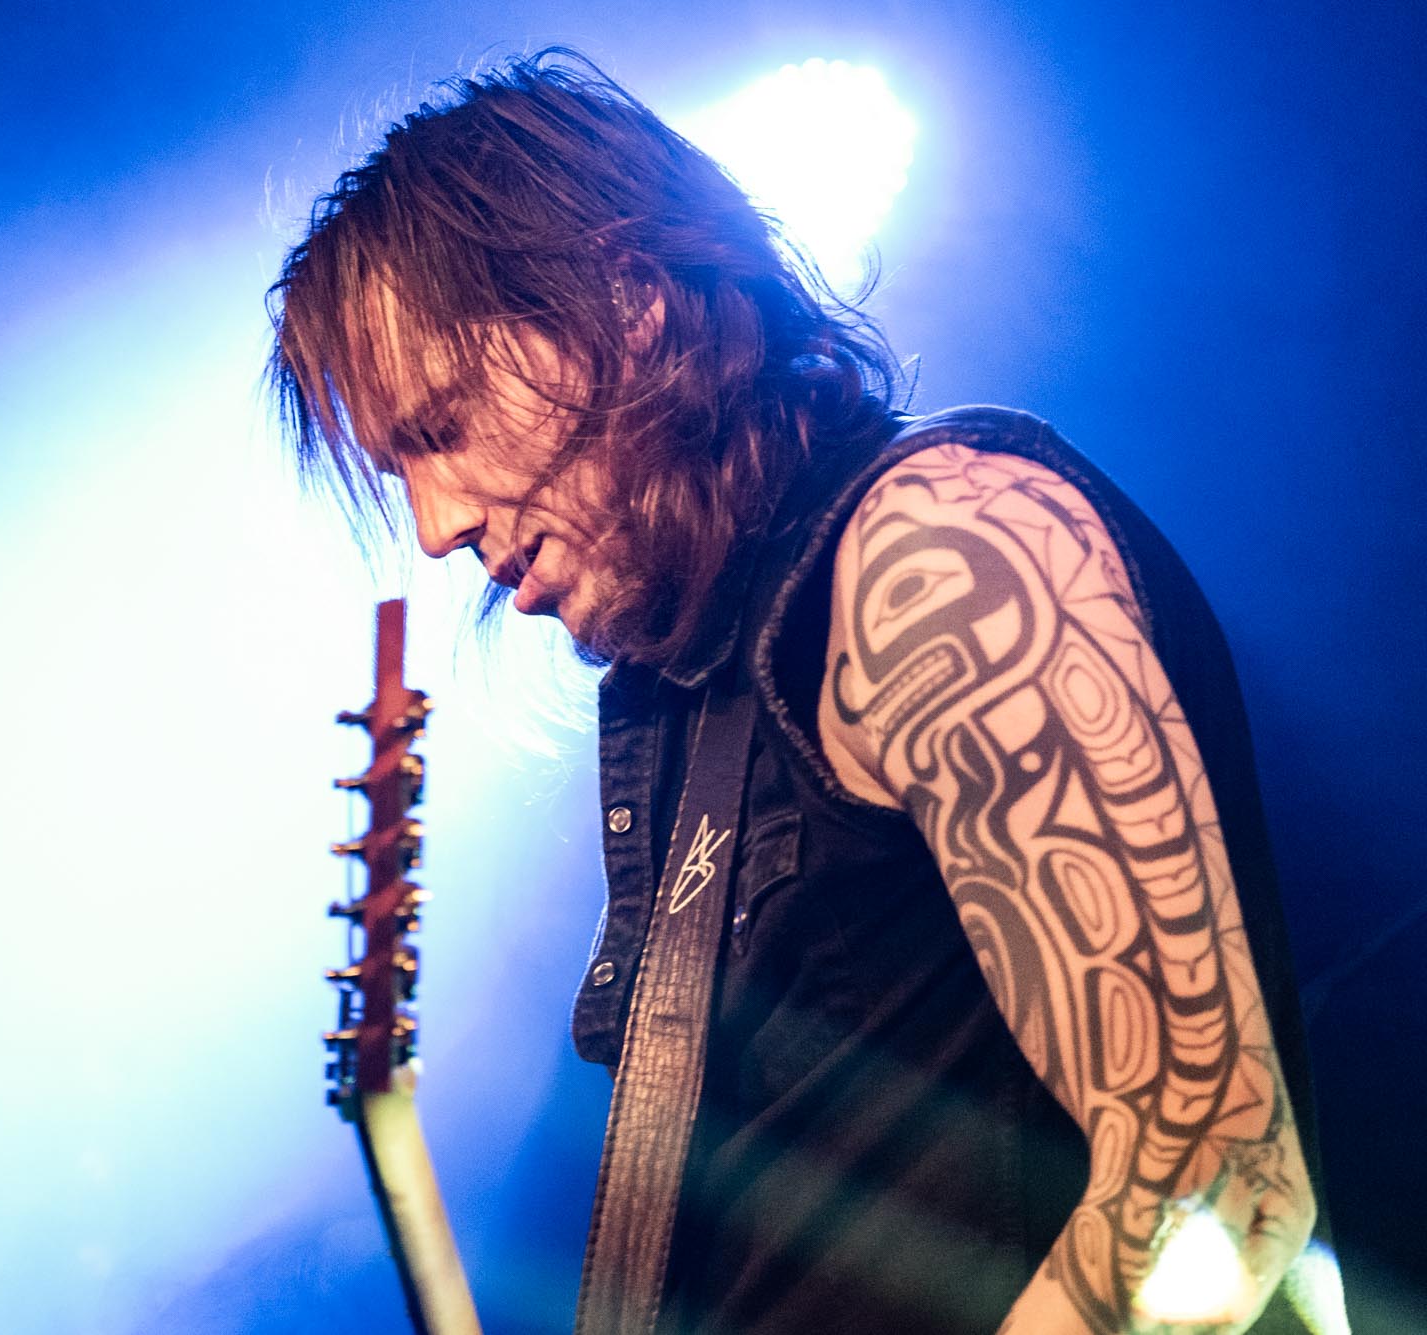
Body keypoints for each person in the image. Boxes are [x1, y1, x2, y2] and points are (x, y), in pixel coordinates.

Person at [267, 50, 1345, 1335]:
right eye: (398, 473)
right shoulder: (691, 700)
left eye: (439, 428)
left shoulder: (943, 551)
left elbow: (1215, 1183)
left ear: (627, 302)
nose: (434, 526)